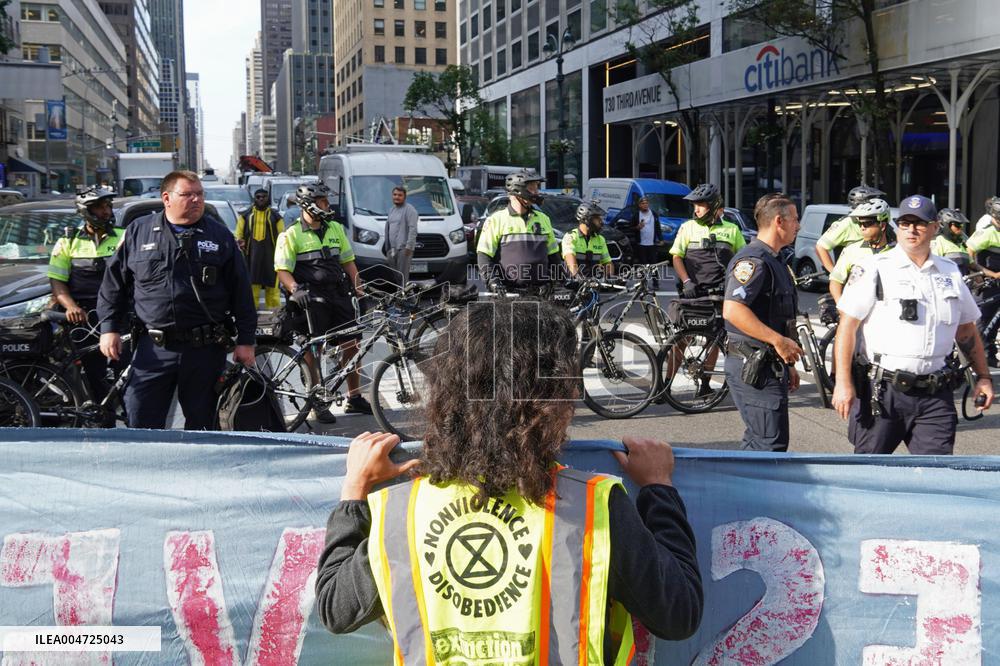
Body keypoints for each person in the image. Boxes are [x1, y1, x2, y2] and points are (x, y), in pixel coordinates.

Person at [315, 300, 703, 663]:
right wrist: (658, 489)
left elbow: (335, 608)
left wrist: (354, 494)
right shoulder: (593, 509)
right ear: (556, 402)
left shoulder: (402, 514)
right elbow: (678, 613)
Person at [832, 195, 994, 454]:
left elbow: (966, 330)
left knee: (936, 477)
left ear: (933, 228)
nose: (911, 229)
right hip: (883, 392)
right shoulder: (875, 268)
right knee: (868, 474)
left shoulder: (950, 272)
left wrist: (983, 378)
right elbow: (847, 327)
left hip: (935, 395)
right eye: (905, 223)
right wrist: (843, 382)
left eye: (919, 223)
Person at [98, 171, 257, 430]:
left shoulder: (219, 236)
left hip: (204, 350)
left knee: (203, 426)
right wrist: (109, 329)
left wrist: (246, 342)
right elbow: (113, 284)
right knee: (141, 421)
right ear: (166, 198)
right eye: (187, 194)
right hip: (153, 349)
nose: (196, 200)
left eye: (200, 194)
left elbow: (241, 292)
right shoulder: (139, 232)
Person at [274, 181, 371, 423]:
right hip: (311, 300)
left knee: (353, 344)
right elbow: (282, 270)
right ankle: (316, 399)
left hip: (338, 296)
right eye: (323, 201)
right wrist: (294, 289)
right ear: (308, 205)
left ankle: (354, 397)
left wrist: (361, 291)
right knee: (313, 350)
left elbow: (348, 263)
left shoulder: (336, 228)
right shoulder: (291, 234)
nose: (328, 205)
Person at [722, 193, 803, 452]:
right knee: (769, 446)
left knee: (762, 442)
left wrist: (786, 360)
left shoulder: (775, 259)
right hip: (753, 365)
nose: (798, 226)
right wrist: (778, 341)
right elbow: (733, 310)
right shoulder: (754, 260)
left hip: (768, 363)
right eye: (795, 219)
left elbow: (777, 316)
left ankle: (741, 493)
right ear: (779, 221)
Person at [48, 186, 125, 419]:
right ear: (87, 211)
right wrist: (70, 306)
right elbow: (57, 281)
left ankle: (132, 422)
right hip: (84, 319)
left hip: (119, 316)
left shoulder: (124, 236)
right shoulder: (66, 242)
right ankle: (104, 422)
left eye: (108, 206)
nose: (106, 211)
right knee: (94, 376)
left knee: (126, 374)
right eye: (100, 207)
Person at [477, 170, 560, 292]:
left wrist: (553, 281)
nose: (537, 192)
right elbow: (484, 256)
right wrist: (493, 282)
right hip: (508, 294)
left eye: (537, 187)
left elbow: (554, 257)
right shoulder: (496, 220)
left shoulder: (544, 219)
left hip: (541, 294)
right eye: (533, 188)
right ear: (518, 190)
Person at [671, 183, 746, 299]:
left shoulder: (732, 229)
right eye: (694, 205)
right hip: (695, 292)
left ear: (714, 207)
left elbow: (743, 260)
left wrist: (737, 283)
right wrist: (686, 282)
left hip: (724, 293)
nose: (696, 210)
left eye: (700, 205)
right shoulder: (687, 227)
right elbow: (677, 257)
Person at [828, 198, 895, 303]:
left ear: (882, 226)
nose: (862, 228)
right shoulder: (851, 250)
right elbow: (836, 280)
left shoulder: (898, 251)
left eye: (867, 224)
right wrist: (840, 305)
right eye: (860, 224)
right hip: (858, 314)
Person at [815, 185, 885, 273]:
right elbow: (820, 247)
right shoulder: (846, 223)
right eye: (872, 201)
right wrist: (835, 274)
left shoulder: (879, 222)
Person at [235, 188, 284, 308]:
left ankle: (275, 312)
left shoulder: (276, 216)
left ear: (268, 198)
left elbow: (283, 236)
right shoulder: (245, 216)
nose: (261, 199)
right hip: (251, 257)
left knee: (272, 285)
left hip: (271, 256)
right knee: (252, 284)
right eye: (258, 197)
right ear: (254, 199)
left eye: (264, 197)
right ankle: (252, 310)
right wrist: (240, 243)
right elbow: (238, 235)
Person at [966, 197, 1000, 366]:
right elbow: (969, 253)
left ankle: (990, 354)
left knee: (996, 321)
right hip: (989, 284)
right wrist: (983, 273)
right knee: (984, 320)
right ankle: (976, 356)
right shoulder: (987, 231)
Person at [562, 201, 614, 279]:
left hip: (594, 283)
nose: (601, 222)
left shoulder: (600, 239)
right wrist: (577, 276)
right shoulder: (571, 236)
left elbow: (607, 262)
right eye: (597, 218)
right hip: (575, 284)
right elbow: (570, 258)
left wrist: (610, 277)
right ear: (586, 219)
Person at [383, 186, 419, 285]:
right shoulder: (392, 210)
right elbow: (388, 227)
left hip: (404, 249)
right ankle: (402, 295)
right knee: (396, 276)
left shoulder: (410, 210)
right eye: (395, 195)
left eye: (400, 195)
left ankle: (406, 298)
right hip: (392, 249)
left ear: (405, 197)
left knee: (403, 276)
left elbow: (413, 229)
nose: (397, 197)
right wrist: (388, 248)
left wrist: (409, 247)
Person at [930, 208, 973, 275]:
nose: (961, 228)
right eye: (957, 225)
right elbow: (932, 266)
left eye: (961, 225)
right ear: (944, 224)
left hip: (962, 283)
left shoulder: (962, 241)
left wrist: (992, 274)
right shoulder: (938, 241)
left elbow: (972, 265)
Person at [633, 195, 661, 288]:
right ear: (639, 205)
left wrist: (660, 239)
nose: (645, 205)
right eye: (643, 203)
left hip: (652, 244)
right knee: (642, 265)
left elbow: (658, 227)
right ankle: (642, 283)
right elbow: (631, 227)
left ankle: (655, 283)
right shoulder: (636, 215)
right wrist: (637, 227)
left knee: (653, 265)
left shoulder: (654, 214)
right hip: (641, 244)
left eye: (646, 203)